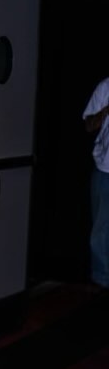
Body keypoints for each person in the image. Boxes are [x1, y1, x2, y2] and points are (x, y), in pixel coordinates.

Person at [82, 76, 109, 288]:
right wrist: (105, 110)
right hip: (104, 169)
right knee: (100, 232)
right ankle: (101, 282)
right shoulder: (105, 87)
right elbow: (88, 125)